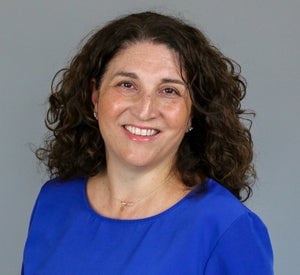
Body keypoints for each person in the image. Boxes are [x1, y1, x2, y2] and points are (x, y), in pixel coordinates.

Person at [22, 11, 273, 274]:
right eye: (127, 84)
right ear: (95, 96)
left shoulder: (226, 227)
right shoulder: (54, 201)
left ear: (194, 112)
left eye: (169, 91)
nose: (144, 110)